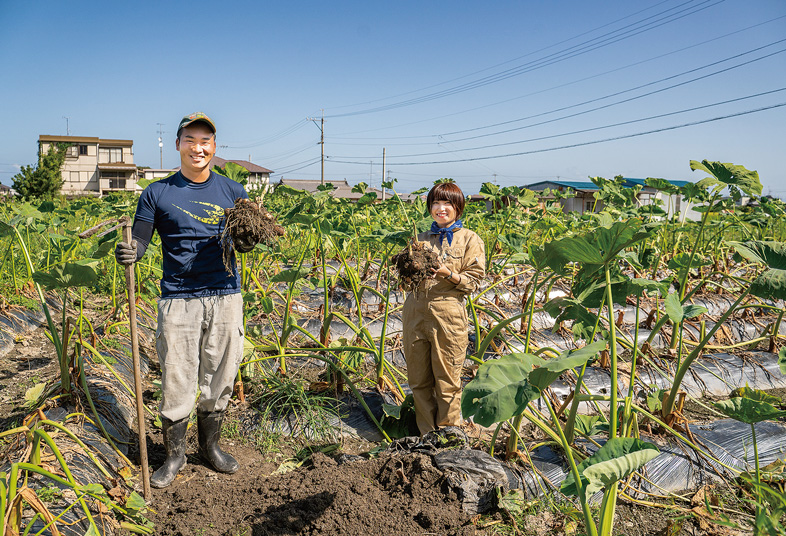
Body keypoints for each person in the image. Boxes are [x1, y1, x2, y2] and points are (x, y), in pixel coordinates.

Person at [115, 112, 255, 488]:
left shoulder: (233, 191)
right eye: (191, 139)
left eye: (205, 140)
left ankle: (211, 449)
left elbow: (245, 235)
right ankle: (174, 456)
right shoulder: (157, 193)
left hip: (226, 295)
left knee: (222, 373)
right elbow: (142, 238)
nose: (198, 147)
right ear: (178, 144)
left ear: (214, 147)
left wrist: (247, 238)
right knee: (177, 376)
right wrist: (132, 250)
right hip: (178, 298)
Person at [402, 182, 485, 435]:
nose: (441, 208)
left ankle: (449, 437)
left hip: (447, 313)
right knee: (418, 381)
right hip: (415, 310)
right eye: (436, 203)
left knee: (448, 381)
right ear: (430, 208)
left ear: (458, 208)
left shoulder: (470, 239)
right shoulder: (420, 240)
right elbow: (407, 278)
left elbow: (473, 281)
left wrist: (448, 274)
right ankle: (427, 435)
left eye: (447, 203)